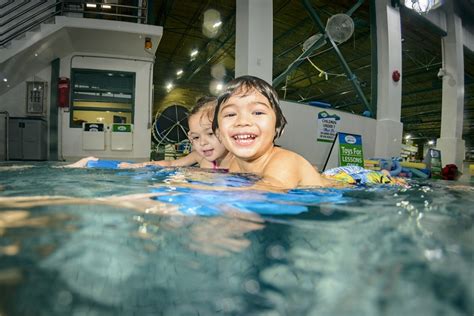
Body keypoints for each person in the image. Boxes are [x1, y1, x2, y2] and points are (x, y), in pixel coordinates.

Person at [211, 75, 334, 189]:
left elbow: (259, 198)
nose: (243, 121)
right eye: (230, 114)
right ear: (218, 133)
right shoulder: (235, 164)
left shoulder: (285, 161)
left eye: (258, 112)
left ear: (277, 127)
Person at [66, 97, 233, 170]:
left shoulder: (237, 160)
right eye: (195, 137)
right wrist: (133, 166)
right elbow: (171, 164)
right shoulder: (199, 156)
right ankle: (91, 163)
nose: (202, 143)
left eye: (210, 134)